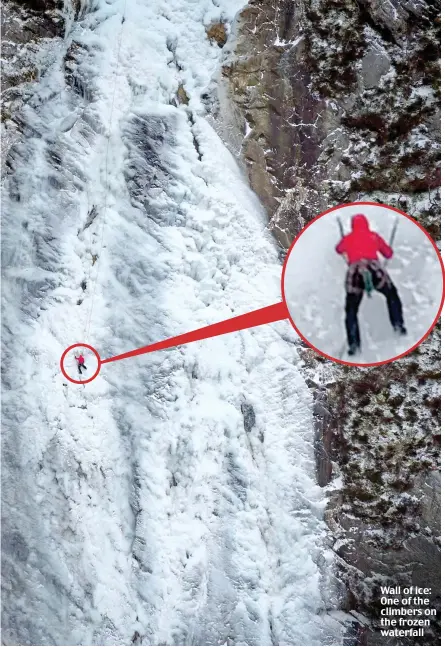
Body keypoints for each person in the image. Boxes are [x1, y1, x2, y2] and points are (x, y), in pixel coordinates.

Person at [336, 214, 407, 356]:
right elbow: (388, 254)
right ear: (366, 224)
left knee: (351, 309)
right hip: (374, 269)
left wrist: (348, 245)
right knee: (391, 294)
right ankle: (398, 326)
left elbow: (338, 249)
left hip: (355, 271)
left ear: (352, 225)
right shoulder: (373, 236)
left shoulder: (348, 238)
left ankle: (354, 345)